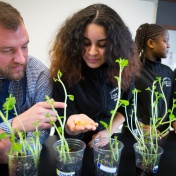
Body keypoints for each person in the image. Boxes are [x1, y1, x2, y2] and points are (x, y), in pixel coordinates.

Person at [50, 3, 140, 145]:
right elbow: (61, 119)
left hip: (103, 142)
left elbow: (127, 106)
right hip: (70, 145)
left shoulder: (123, 69)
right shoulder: (65, 72)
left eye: (102, 44)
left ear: (115, 46)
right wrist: (71, 127)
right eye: (85, 43)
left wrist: (108, 131)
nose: (92, 52)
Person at [0, 1, 65, 163]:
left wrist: (18, 154)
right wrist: (16, 124)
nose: (22, 59)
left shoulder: (39, 73)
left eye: (24, 46)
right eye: (8, 50)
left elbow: (41, 131)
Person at [134, 23, 176, 133]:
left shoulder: (168, 72)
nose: (168, 45)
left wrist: (174, 121)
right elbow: (125, 107)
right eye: (165, 40)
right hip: (138, 136)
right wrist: (142, 126)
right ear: (151, 43)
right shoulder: (133, 72)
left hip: (163, 135)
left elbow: (172, 102)